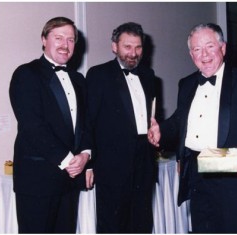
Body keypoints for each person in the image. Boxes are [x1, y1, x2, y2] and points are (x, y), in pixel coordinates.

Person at [148, 23, 237, 233]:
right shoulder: (186, 84)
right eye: (197, 49)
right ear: (191, 53)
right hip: (197, 179)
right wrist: (161, 132)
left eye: (210, 46)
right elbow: (179, 122)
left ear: (223, 48)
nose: (204, 55)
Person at [9, 17, 92, 233]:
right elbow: (32, 126)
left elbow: (86, 125)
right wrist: (69, 162)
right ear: (44, 40)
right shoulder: (26, 74)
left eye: (71, 40)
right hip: (38, 181)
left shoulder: (79, 80)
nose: (65, 45)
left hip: (70, 180)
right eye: (59, 38)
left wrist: (86, 155)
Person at [85, 22, 157, 233]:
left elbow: (151, 118)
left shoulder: (149, 75)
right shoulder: (98, 75)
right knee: (113, 225)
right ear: (114, 47)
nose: (133, 53)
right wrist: (89, 162)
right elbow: (88, 121)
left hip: (144, 163)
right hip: (111, 167)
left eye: (138, 47)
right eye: (127, 47)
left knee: (142, 222)